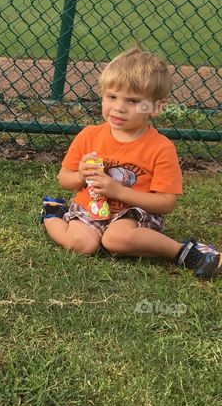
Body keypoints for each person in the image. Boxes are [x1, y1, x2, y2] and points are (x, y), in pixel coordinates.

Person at [40, 46, 220, 279]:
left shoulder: (161, 147)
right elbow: (64, 179)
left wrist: (119, 191)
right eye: (111, 96)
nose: (118, 107)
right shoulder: (89, 135)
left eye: (133, 101)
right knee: (81, 244)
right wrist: (81, 176)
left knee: (115, 239)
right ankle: (52, 213)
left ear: (155, 107)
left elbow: (165, 203)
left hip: (135, 214)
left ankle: (186, 252)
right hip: (90, 207)